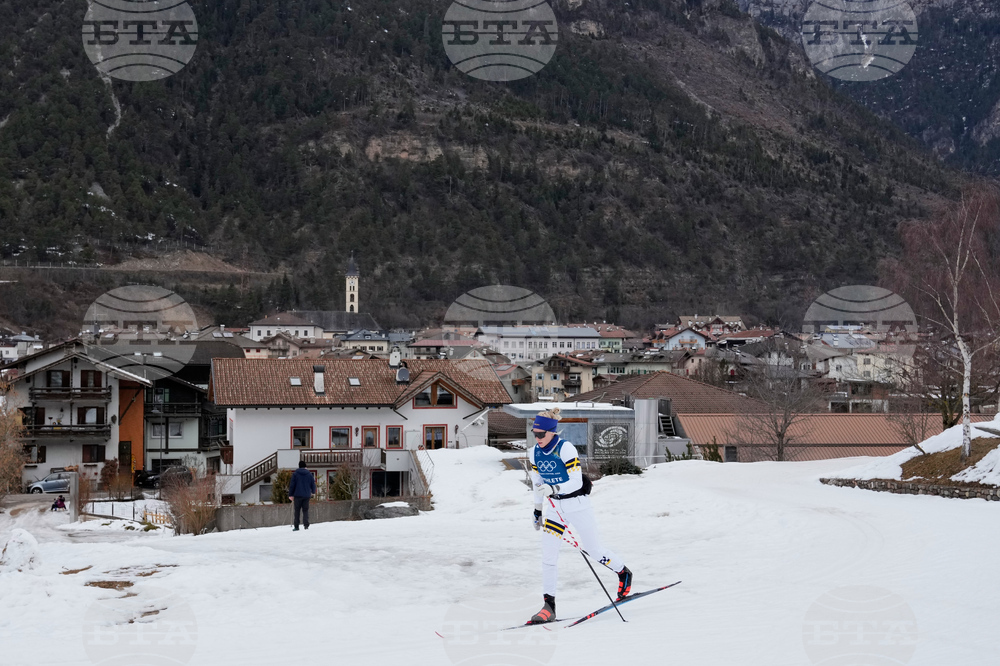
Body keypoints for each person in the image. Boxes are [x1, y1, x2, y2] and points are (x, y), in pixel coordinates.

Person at [527, 408, 633, 624]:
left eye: (541, 434)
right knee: (548, 556)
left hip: (577, 506)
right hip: (555, 510)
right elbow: (537, 484)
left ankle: (622, 572)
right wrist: (538, 509)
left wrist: (554, 489)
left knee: (593, 550)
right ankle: (549, 606)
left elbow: (575, 481)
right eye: (534, 434)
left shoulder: (565, 449)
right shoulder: (534, 453)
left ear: (552, 433)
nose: (537, 439)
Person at [287, 461, 316, 531]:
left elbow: (292, 485)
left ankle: (296, 526)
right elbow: (313, 484)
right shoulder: (309, 474)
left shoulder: (295, 474)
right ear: (305, 466)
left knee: (297, 511)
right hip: (306, 495)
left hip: (297, 495)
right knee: (305, 510)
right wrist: (313, 492)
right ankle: (306, 525)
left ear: (299, 466)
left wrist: (291, 494)